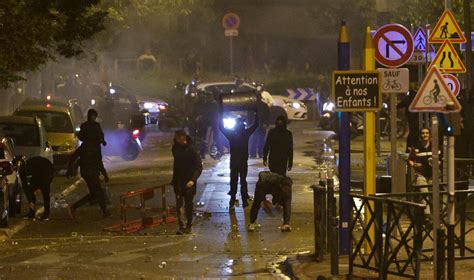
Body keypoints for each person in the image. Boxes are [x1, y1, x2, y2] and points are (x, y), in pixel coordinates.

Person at [219, 112, 259, 210]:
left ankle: (233, 199)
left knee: (234, 181)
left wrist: (220, 113)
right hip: (242, 161)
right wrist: (256, 113)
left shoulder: (232, 134)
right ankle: (243, 199)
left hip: (234, 162)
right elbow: (256, 125)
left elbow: (221, 127)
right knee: (243, 181)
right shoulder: (245, 133)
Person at [171, 130, 203, 234]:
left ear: (183, 138)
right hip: (178, 181)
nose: (176, 140)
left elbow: (198, 167)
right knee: (179, 205)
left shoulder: (192, 150)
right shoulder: (175, 148)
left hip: (189, 181)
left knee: (188, 204)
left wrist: (192, 180)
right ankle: (181, 225)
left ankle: (188, 225)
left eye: (178, 138)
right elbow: (176, 166)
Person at [66, 144, 110, 219]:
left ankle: (74, 207)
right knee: (98, 191)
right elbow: (99, 162)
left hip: (88, 172)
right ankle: (105, 213)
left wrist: (70, 169)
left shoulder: (85, 146)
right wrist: (104, 174)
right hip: (90, 172)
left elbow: (74, 157)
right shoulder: (93, 147)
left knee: (95, 193)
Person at [407, 128, 436, 217]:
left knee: (434, 196)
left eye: (427, 133)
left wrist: (437, 162)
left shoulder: (434, 146)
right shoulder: (416, 146)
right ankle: (427, 215)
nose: (425, 135)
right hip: (420, 175)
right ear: (420, 135)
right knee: (424, 194)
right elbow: (410, 159)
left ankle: (435, 216)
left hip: (433, 175)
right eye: (423, 133)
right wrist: (414, 165)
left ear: (430, 135)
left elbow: (441, 160)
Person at [19, 156, 54, 221]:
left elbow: (45, 181)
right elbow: (27, 187)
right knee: (32, 191)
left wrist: (40, 188)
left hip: (46, 171)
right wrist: (31, 199)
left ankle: (46, 214)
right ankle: (32, 212)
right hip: (41, 172)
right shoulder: (24, 172)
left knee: (45, 192)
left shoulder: (42, 169)